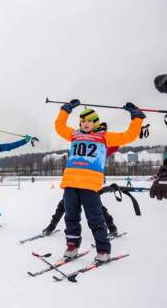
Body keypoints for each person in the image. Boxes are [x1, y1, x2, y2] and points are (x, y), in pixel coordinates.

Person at [54, 100, 145, 262]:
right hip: (70, 184)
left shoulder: (104, 137)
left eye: (89, 120)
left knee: (95, 218)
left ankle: (103, 250)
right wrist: (65, 109)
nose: (85, 123)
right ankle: (72, 246)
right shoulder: (74, 134)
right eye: (82, 121)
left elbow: (129, 135)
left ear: (96, 122)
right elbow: (59, 126)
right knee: (71, 218)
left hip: (89, 186)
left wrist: (136, 117)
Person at [43, 144, 120, 237]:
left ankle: (112, 228)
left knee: (99, 208)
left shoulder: (94, 152)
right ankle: (51, 226)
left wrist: (115, 141)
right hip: (74, 185)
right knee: (62, 205)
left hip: (88, 185)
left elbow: (112, 148)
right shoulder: (78, 151)